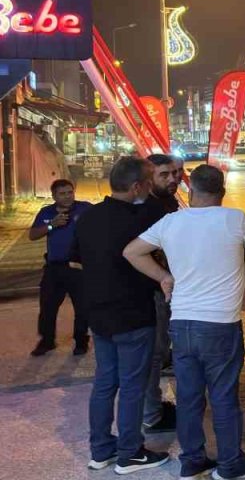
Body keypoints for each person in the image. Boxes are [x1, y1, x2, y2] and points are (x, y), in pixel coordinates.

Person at [125, 165, 245, 480]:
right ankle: (230, 465)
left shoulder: (170, 222)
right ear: (223, 191)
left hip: (183, 324)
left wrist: (164, 276)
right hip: (221, 325)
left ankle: (192, 462)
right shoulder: (235, 218)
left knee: (189, 398)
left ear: (189, 191)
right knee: (223, 397)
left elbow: (132, 252)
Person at [73, 157, 170, 474]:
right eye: (147, 181)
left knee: (104, 384)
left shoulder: (88, 217)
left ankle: (101, 450)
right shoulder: (143, 218)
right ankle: (130, 453)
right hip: (133, 314)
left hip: (98, 314)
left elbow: (76, 261)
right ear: (137, 186)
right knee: (132, 386)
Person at [141, 153, 183, 435]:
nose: (173, 179)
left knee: (160, 351)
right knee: (153, 354)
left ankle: (153, 409)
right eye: (164, 175)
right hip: (152, 291)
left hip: (167, 289)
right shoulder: (147, 209)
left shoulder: (168, 203)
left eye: (175, 173)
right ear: (148, 179)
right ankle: (152, 415)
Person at [29, 178, 93, 357]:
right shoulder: (46, 212)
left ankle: (81, 341)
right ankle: (46, 341)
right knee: (47, 306)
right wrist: (51, 225)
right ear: (54, 196)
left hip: (78, 267)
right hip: (54, 268)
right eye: (62, 194)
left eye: (70, 192)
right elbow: (32, 235)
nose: (67, 197)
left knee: (82, 307)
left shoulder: (85, 208)